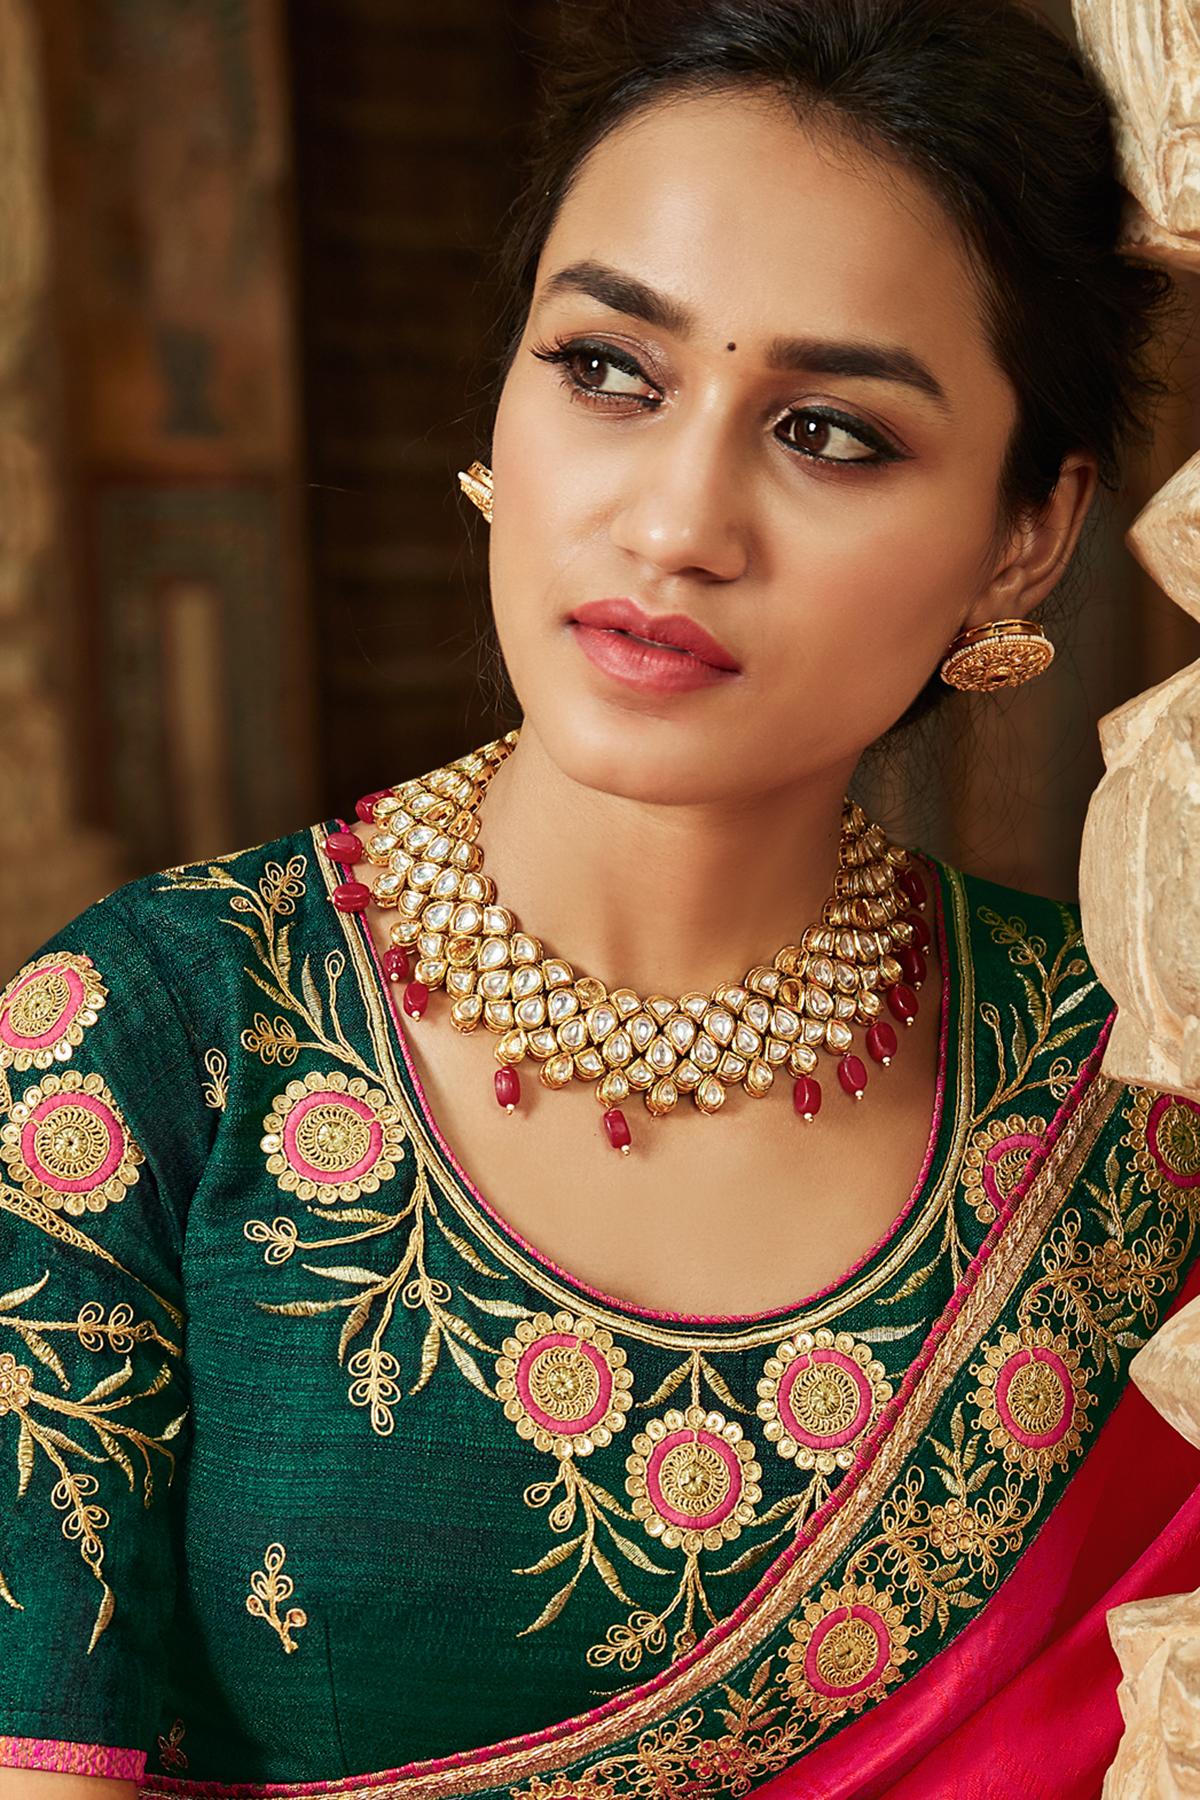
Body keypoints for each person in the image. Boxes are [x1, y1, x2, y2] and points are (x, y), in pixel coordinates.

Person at [2, 1, 1198, 1795]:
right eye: (609, 373)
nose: (675, 520)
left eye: (831, 430)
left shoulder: (1135, 1098)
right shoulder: (151, 1038)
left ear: (1026, 533)